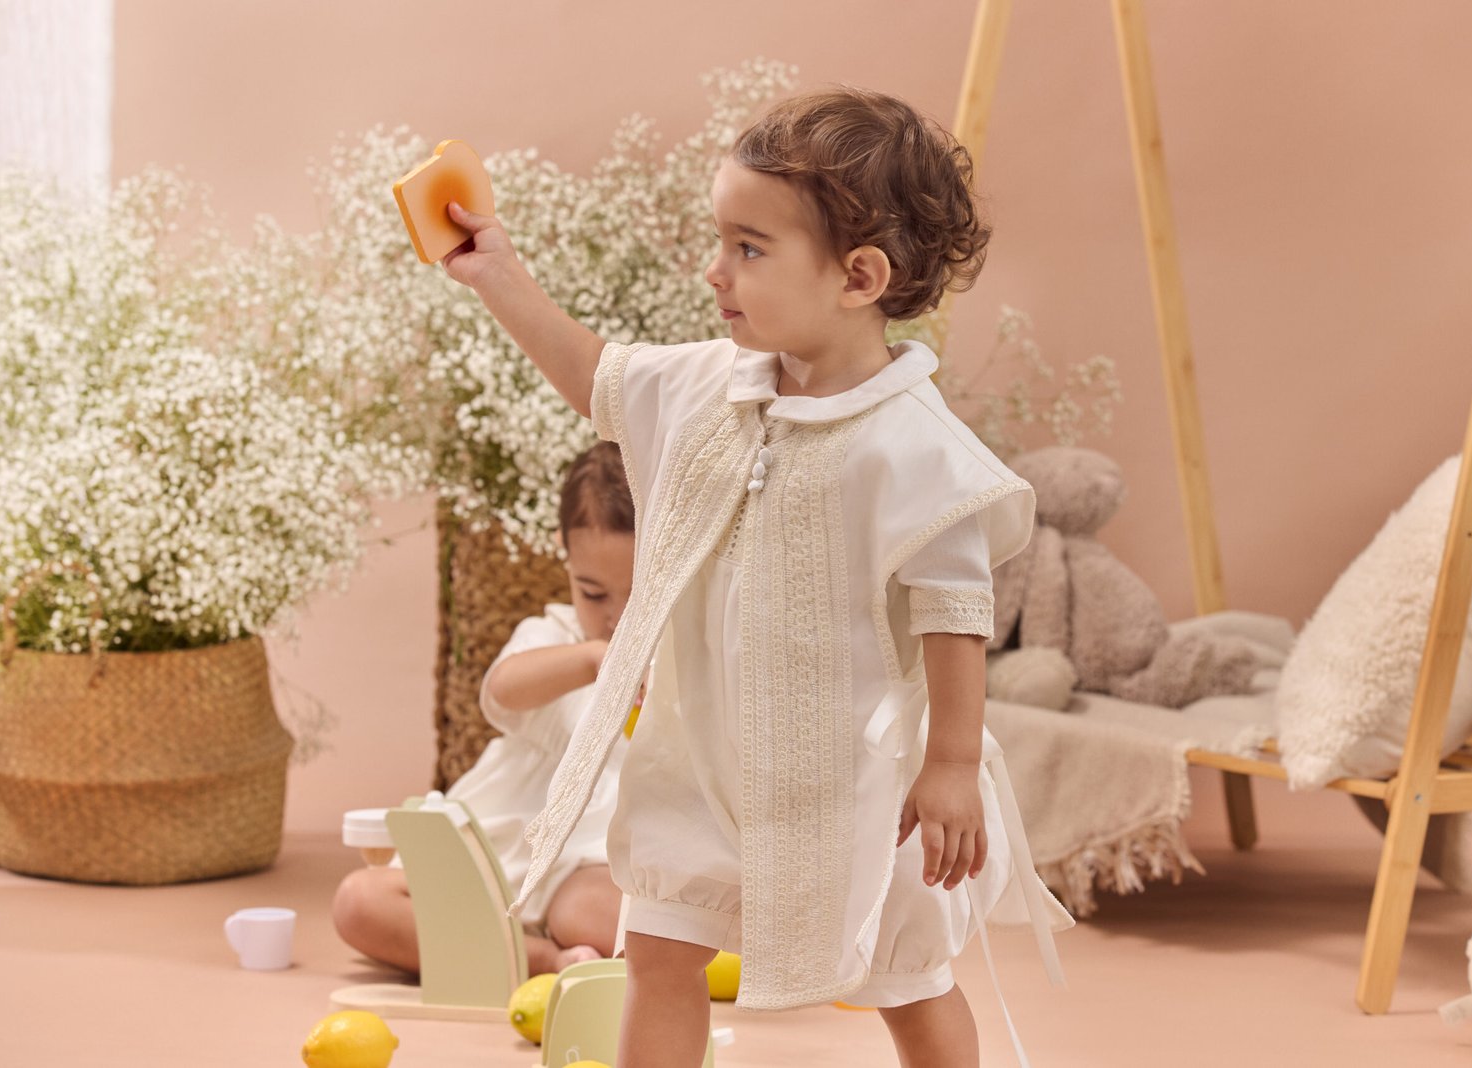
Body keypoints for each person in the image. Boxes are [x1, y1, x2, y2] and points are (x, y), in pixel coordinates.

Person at [440, 86, 1071, 1068]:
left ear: (857, 276)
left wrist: (949, 763)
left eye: (748, 248)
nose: (715, 269)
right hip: (703, 756)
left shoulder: (913, 446)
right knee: (658, 950)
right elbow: (597, 377)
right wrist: (498, 274)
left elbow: (953, 609)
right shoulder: (708, 386)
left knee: (904, 977)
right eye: (719, 240)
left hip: (854, 783)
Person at [331, 442, 635, 977]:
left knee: (596, 913)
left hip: (592, 870)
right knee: (360, 903)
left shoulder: (685, 658)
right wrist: (592, 660)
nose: (616, 618)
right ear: (564, 558)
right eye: (593, 593)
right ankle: (544, 959)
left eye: (639, 593)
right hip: (498, 859)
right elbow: (501, 691)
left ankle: (539, 945)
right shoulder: (555, 638)